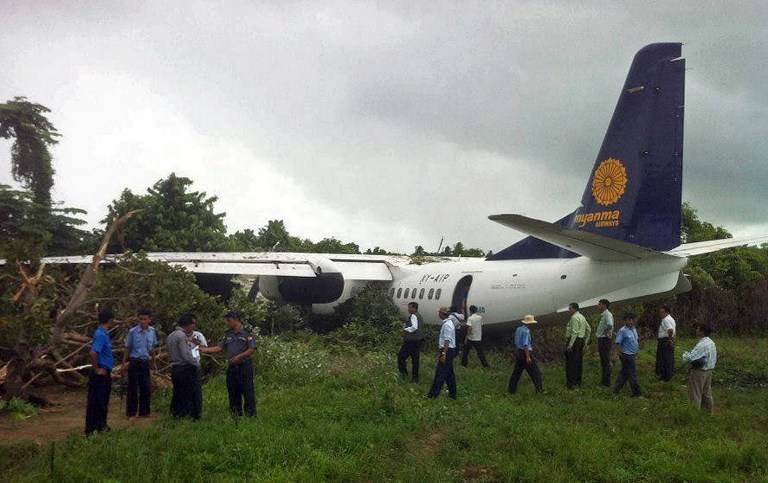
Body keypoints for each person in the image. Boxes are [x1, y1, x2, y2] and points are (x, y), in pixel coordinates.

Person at [200, 311, 257, 417]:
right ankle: (236, 415)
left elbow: (252, 349)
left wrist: (240, 357)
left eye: (229, 320)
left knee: (247, 391)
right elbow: (219, 348)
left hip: (244, 366)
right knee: (233, 391)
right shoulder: (228, 334)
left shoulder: (247, 332)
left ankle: (251, 416)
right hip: (232, 367)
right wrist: (204, 350)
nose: (227, 323)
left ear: (236, 319)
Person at [122, 308, 158, 418]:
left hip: (145, 361)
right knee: (133, 387)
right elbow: (128, 347)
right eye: (141, 319)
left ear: (149, 320)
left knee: (146, 387)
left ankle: (144, 412)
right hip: (134, 361)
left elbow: (152, 348)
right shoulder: (133, 332)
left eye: (145, 319)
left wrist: (153, 361)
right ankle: (131, 412)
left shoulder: (152, 331)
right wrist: (124, 362)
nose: (142, 321)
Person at [85, 308, 116, 435]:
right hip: (100, 374)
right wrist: (97, 369)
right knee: (98, 401)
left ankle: (100, 425)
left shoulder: (102, 333)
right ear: (110, 320)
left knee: (101, 400)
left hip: (105, 371)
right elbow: (93, 353)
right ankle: (95, 427)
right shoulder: (101, 335)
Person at [167, 314, 202, 419]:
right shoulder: (181, 336)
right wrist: (196, 363)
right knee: (190, 392)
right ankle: (189, 414)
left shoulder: (171, 335)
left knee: (178, 391)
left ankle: (176, 413)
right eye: (193, 324)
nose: (194, 326)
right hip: (184, 368)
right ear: (188, 324)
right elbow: (186, 354)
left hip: (175, 367)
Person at [682, 323, 717, 414]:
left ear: (702, 332)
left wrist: (684, 354)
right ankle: (708, 413)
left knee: (695, 393)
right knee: (706, 393)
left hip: (699, 371)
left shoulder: (702, 345)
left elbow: (691, 358)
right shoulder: (711, 342)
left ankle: (694, 414)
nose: (696, 330)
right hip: (709, 371)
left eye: (698, 329)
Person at [427, 307, 457, 400]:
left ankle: (433, 395)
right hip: (449, 351)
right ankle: (452, 394)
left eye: (439, 312)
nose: (438, 314)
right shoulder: (449, 323)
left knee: (440, 373)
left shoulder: (447, 325)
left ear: (442, 314)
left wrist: (444, 353)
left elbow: (447, 340)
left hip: (446, 351)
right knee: (449, 374)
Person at [508, 315, 543, 394]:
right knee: (535, 372)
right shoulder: (526, 331)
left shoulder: (518, 329)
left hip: (519, 352)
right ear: (530, 324)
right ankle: (539, 390)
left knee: (516, 373)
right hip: (525, 353)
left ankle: (511, 390)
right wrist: (528, 357)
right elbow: (525, 344)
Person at [613, 313, 641, 397]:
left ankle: (615, 391)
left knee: (624, 374)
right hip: (626, 355)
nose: (630, 321)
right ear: (625, 321)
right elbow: (617, 343)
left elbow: (636, 341)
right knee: (632, 374)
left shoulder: (634, 329)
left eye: (632, 319)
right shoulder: (622, 331)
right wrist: (615, 355)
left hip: (632, 355)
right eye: (628, 320)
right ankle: (637, 394)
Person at [564, 303, 591, 389]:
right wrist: (586, 341)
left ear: (574, 309)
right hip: (580, 340)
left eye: (570, 308)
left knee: (571, 363)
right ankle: (578, 382)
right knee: (578, 362)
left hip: (574, 341)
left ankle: (571, 383)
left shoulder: (574, 318)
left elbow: (575, 332)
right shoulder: (582, 317)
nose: (569, 310)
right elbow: (589, 329)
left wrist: (570, 345)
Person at [397, 302, 423, 382]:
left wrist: (405, 330)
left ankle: (404, 374)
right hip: (418, 340)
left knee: (401, 357)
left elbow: (414, 327)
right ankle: (415, 378)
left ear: (414, 308)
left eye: (410, 308)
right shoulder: (419, 316)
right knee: (415, 360)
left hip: (410, 341)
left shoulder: (414, 316)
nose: (408, 309)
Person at [595, 299, 614, 387]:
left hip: (604, 340)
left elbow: (610, 324)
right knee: (603, 361)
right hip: (602, 339)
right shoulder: (603, 314)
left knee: (605, 361)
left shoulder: (607, 314)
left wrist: (605, 332)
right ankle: (604, 381)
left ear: (604, 305)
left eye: (599, 304)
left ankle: (606, 383)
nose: (598, 306)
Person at [655, 305, 676, 381]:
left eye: (662, 312)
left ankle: (666, 376)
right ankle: (667, 374)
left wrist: (670, 339)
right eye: (660, 312)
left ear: (667, 312)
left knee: (664, 358)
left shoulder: (665, 320)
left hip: (665, 340)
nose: (660, 314)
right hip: (668, 339)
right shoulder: (671, 319)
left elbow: (670, 330)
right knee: (669, 358)